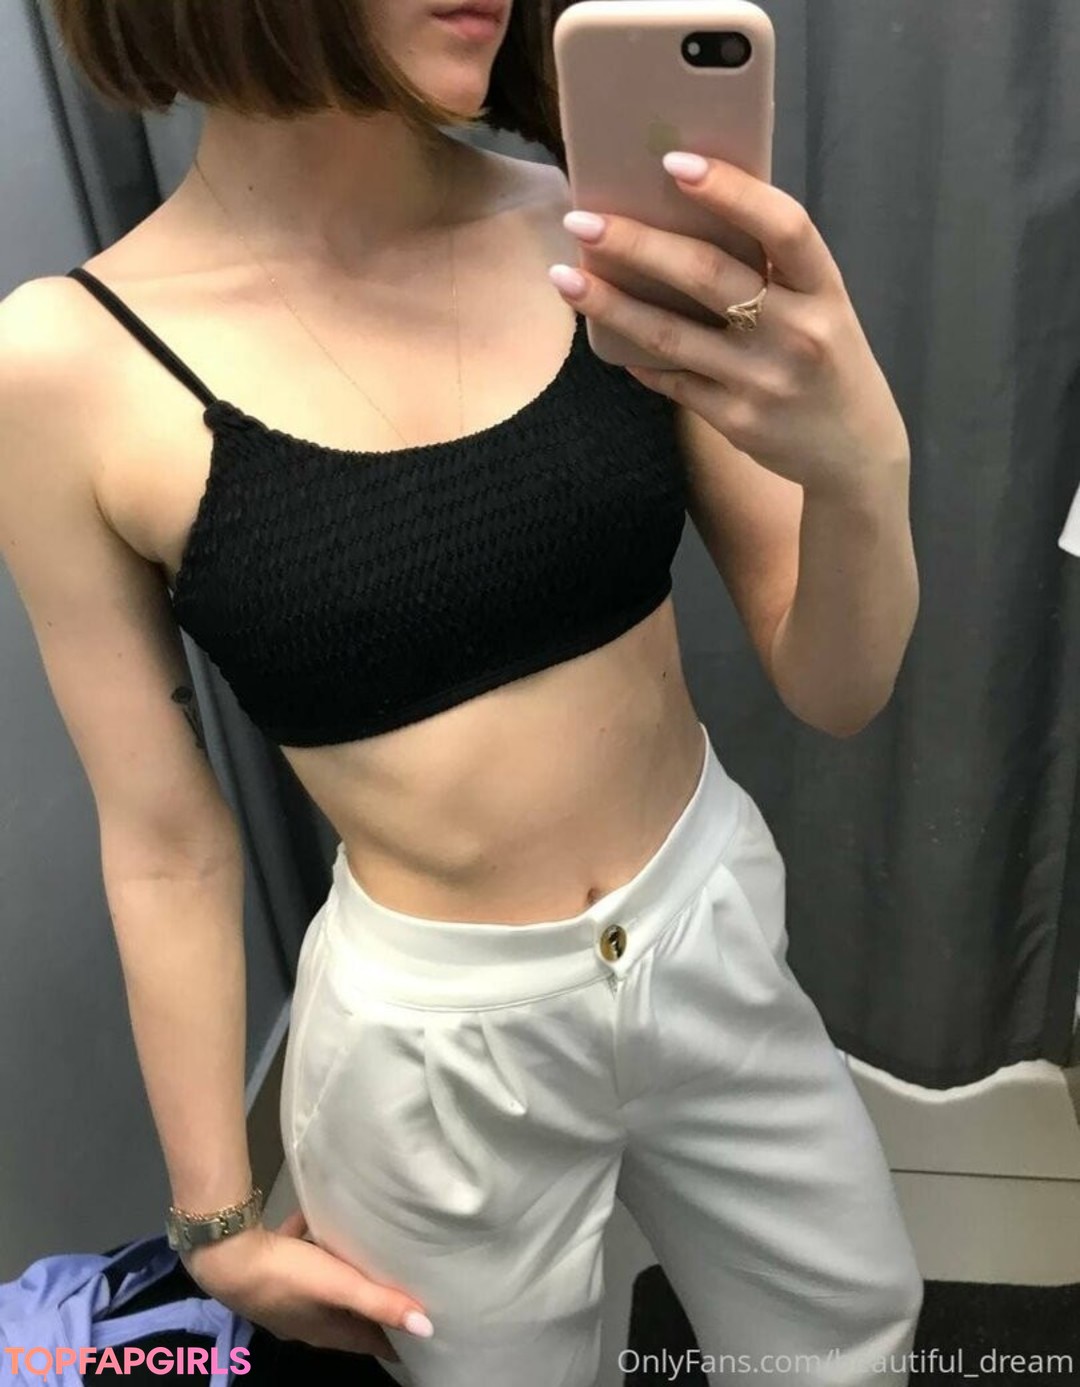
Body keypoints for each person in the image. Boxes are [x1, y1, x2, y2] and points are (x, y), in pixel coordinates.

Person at [0, 2, 924, 1383]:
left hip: (711, 930)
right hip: (429, 1047)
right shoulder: (64, 366)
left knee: (855, 1339)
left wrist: (863, 470)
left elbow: (837, 684)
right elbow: (164, 839)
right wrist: (215, 1219)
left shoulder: (599, 235)